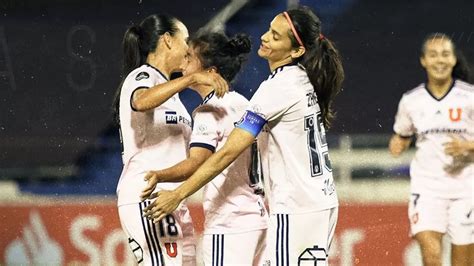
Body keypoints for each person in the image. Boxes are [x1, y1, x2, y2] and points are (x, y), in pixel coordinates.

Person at [143, 6, 344, 265]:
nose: (265, 37)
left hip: (294, 207)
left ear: (296, 51)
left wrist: (178, 194)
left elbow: (228, 151)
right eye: (269, 30)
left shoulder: (275, 88)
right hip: (322, 201)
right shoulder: (301, 80)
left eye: (275, 36)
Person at [140, 31, 268, 266]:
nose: (184, 61)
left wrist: (160, 176)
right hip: (258, 220)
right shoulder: (243, 103)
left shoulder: (208, 112)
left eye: (189, 57)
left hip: (228, 225)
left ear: (211, 73)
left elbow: (196, 163)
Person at [114, 14, 229, 266]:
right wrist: (190, 78)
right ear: (167, 40)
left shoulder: (173, 96)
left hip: (172, 199)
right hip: (148, 196)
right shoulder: (143, 76)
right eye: (185, 40)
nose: (189, 48)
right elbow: (141, 101)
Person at [389, 33, 473, 266]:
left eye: (445, 54)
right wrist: (398, 143)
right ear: (423, 61)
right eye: (433, 55)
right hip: (427, 188)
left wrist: (468, 146)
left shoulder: (469, 97)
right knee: (431, 254)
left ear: (454, 60)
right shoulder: (411, 101)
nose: (440, 60)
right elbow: (402, 135)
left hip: (465, 189)